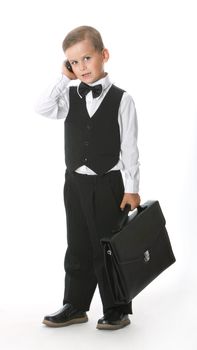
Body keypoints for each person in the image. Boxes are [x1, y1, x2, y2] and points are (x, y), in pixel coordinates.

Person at [35, 25, 140, 330]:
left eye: (87, 58)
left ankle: (117, 309)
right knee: (78, 244)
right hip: (75, 184)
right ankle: (76, 305)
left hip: (108, 184)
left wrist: (131, 189)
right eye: (73, 62)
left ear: (104, 55)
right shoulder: (69, 96)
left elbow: (130, 149)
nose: (81, 67)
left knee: (107, 247)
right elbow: (41, 107)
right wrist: (62, 78)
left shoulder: (122, 99)